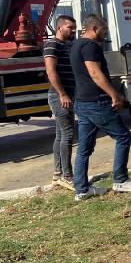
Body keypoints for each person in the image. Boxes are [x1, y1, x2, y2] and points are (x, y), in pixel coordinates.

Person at [70, 14, 131, 201]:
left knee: (84, 148)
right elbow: (95, 73)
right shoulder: (90, 47)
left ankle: (81, 189)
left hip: (82, 102)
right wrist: (114, 94)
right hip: (97, 102)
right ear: (94, 28)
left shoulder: (76, 45)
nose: (106, 32)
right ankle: (120, 180)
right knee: (123, 136)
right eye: (104, 29)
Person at [44, 15, 77, 190]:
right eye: (70, 27)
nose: (73, 30)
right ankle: (67, 176)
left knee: (60, 135)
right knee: (68, 134)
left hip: (68, 94)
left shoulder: (68, 45)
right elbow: (51, 71)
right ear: (59, 28)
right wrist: (62, 93)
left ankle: (58, 174)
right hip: (59, 96)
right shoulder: (52, 44)